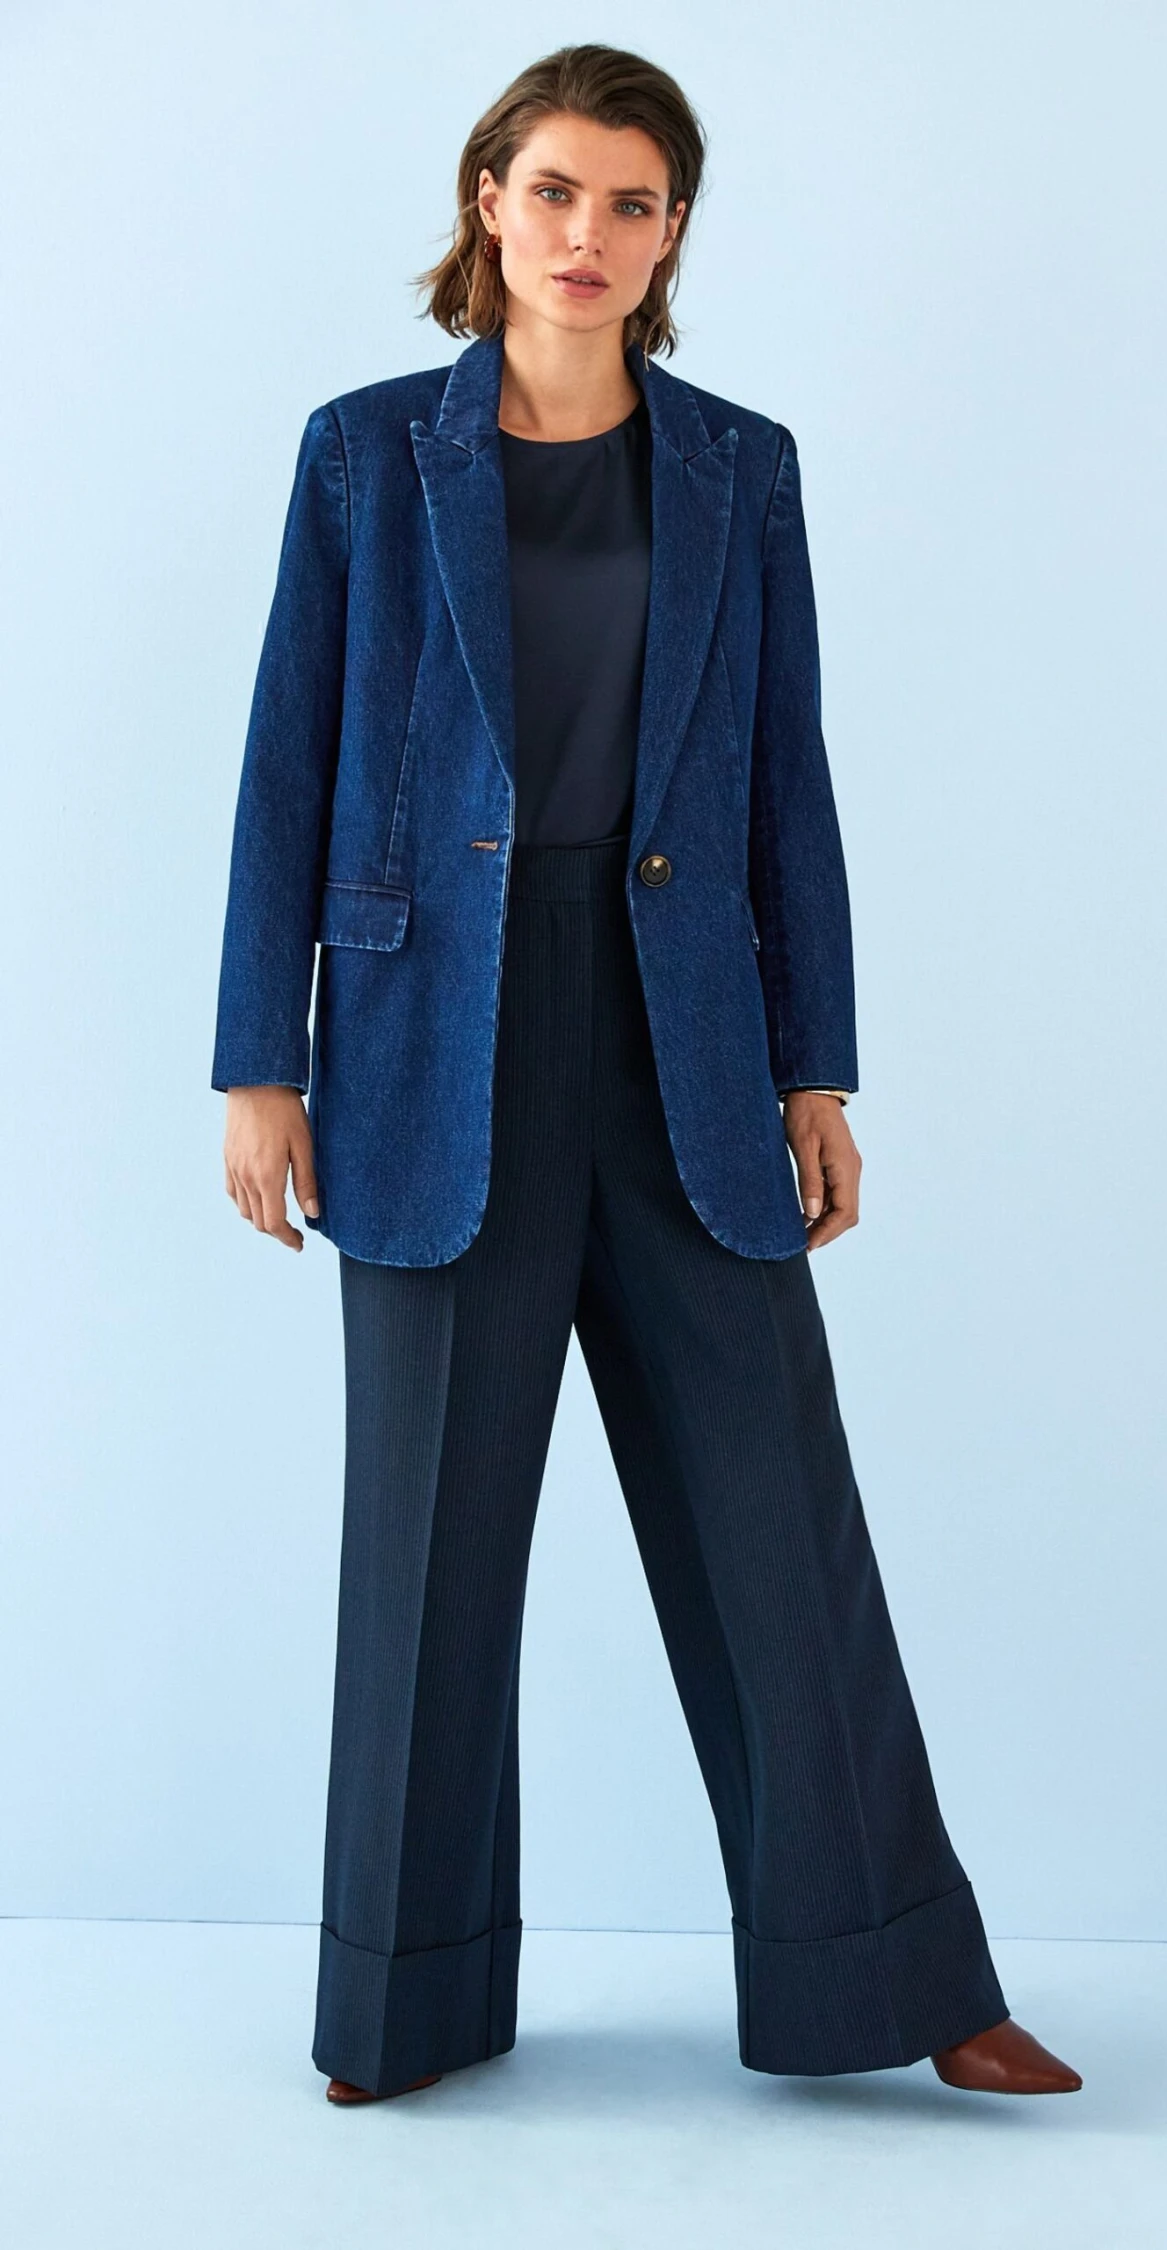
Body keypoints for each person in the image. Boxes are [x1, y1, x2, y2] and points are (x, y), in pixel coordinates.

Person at [212, 42, 1081, 2106]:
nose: (587, 234)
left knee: (781, 1519)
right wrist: (263, 1061)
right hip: (432, 1044)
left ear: (673, 231)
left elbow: (789, 782)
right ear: (487, 201)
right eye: (555, 191)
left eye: (632, 202)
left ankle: (900, 1983)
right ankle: (401, 2007)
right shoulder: (365, 457)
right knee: (427, 1549)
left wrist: (817, 1070)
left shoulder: (739, 469)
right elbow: (283, 764)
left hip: (680, 1036)